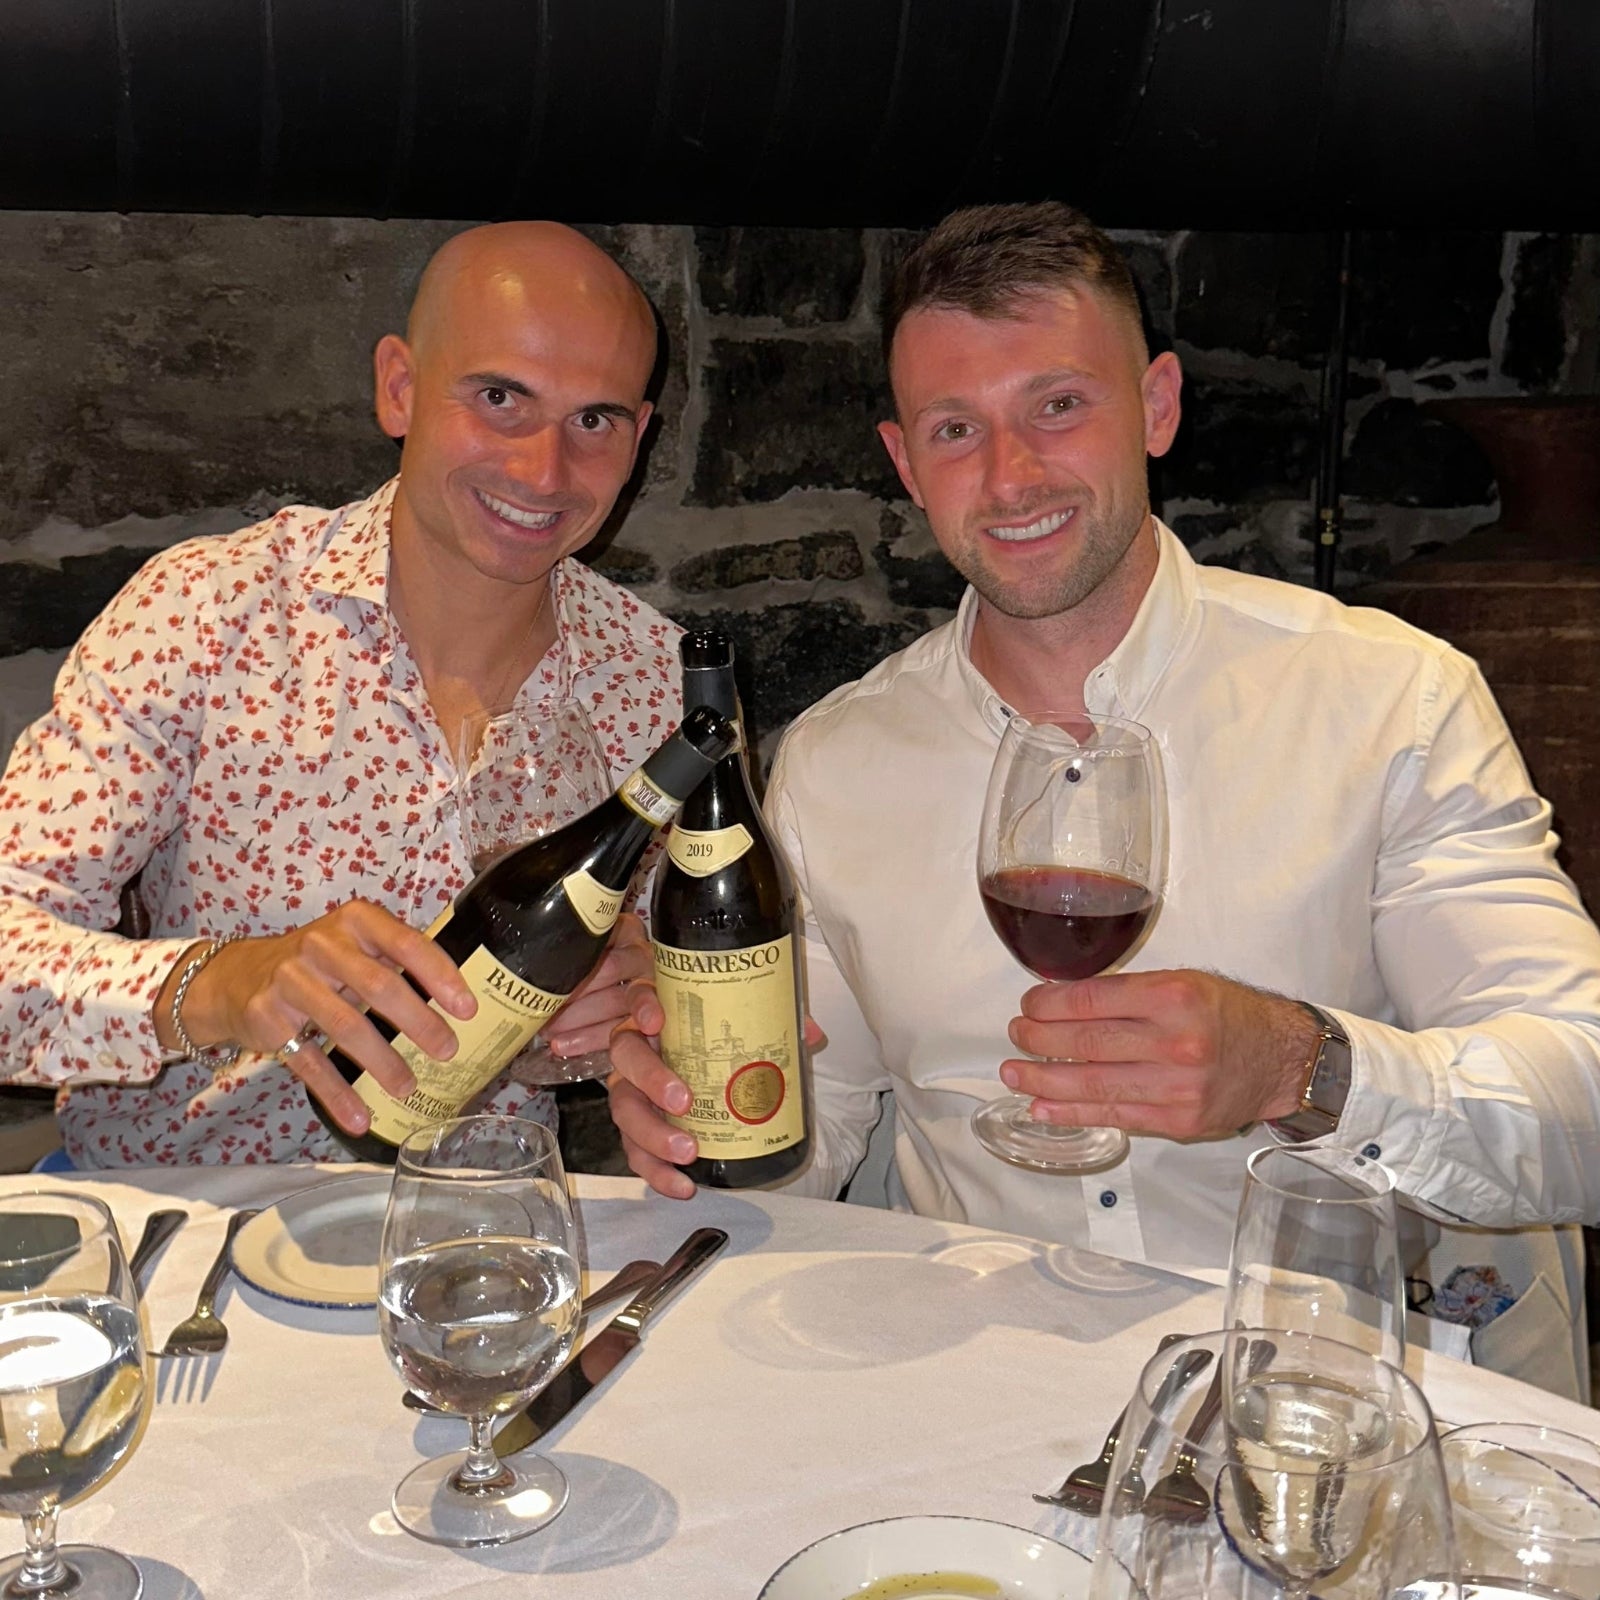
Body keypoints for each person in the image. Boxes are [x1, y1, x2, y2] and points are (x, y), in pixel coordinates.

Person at [608, 201, 1600, 1400]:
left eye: (1059, 406)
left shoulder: (1390, 698)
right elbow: (814, 1134)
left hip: (1308, 1400)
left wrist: (1306, 1067)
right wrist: (698, 1121)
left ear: (1159, 405)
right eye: (956, 427)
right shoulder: (834, 762)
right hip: (966, 1391)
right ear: (904, 461)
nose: (1011, 474)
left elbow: (1580, 1098)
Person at [0, 220, 684, 1165]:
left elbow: (684, 996)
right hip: (181, 1218)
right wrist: (228, 983)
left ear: (641, 435)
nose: (544, 471)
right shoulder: (204, 611)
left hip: (481, 1225)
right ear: (399, 388)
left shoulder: (662, 681)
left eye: (595, 420)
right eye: (499, 397)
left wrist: (644, 1012)